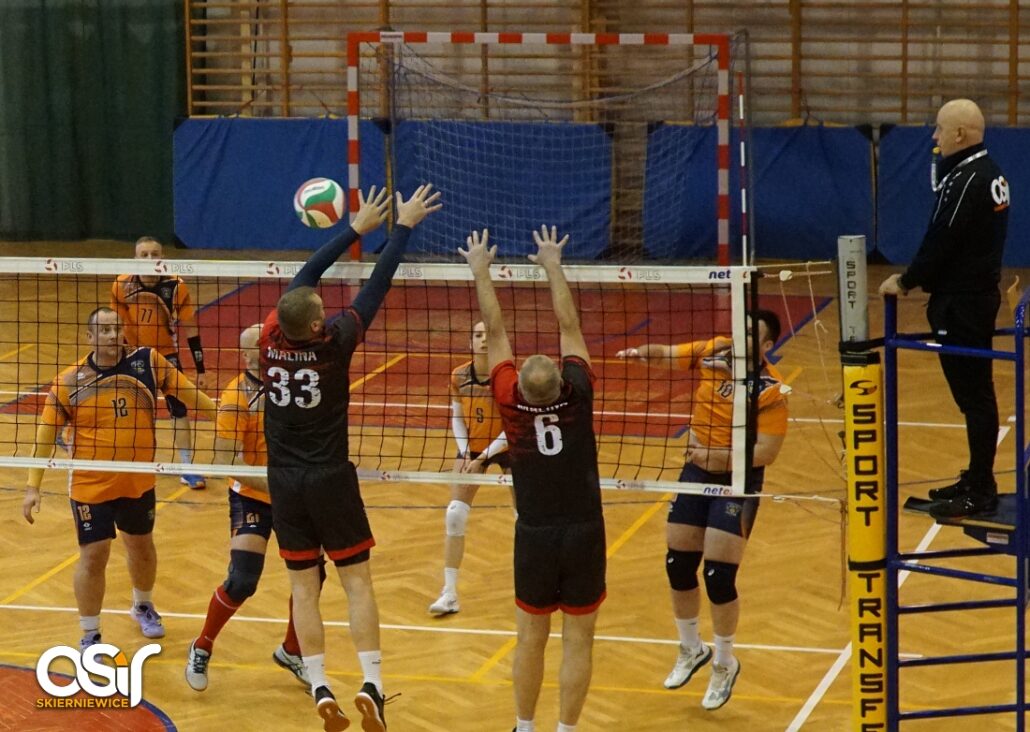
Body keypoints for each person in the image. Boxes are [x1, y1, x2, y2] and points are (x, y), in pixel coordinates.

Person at [261, 184, 441, 732]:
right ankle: (372, 685)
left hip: (283, 481)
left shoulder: (270, 338)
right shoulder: (334, 344)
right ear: (317, 325)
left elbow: (306, 276)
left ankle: (319, 686)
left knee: (303, 587)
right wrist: (401, 226)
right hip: (330, 479)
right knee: (357, 583)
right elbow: (377, 286)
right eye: (322, 309)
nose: (326, 305)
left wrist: (354, 230)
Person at [460, 226, 605, 732]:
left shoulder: (508, 399)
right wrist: (552, 264)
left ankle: (524, 726)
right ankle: (566, 729)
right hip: (584, 530)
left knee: (530, 638)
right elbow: (569, 324)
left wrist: (480, 269)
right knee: (579, 640)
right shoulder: (579, 393)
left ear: (519, 386)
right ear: (562, 381)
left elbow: (496, 332)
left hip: (536, 534)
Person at [616, 309, 788, 711]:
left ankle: (725, 663)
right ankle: (691, 648)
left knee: (718, 576)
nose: (739, 337)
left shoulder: (771, 390)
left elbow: (766, 452)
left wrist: (717, 456)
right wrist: (641, 353)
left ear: (766, 346)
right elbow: (668, 354)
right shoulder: (714, 351)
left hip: (738, 479)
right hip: (696, 470)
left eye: (751, 334)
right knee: (678, 565)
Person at [21, 307, 216, 649]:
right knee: (94, 554)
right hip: (90, 485)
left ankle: (143, 606)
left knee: (141, 546)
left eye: (117, 329)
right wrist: (32, 487)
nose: (113, 335)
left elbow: (191, 396)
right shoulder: (70, 381)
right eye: (105, 330)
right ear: (90, 337)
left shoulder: (148, 362)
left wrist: (230, 423)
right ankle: (90, 634)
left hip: (138, 481)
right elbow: (45, 436)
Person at [879, 98, 1010, 519]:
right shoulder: (987, 173)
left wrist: (906, 281)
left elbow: (942, 237)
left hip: (963, 303)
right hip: (972, 298)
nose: (934, 137)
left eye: (939, 129)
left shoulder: (968, 178)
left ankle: (981, 489)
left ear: (960, 134)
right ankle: (976, 477)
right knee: (975, 396)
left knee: (975, 398)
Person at [185, 324, 317, 692]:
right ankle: (202, 645)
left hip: (294, 496)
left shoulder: (295, 387)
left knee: (312, 577)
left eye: (272, 342)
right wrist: (278, 486)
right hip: (252, 495)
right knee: (243, 579)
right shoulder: (235, 397)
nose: (270, 348)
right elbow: (226, 462)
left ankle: (292, 651)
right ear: (246, 356)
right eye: (261, 345)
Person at [111, 236, 209, 489]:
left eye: (154, 254)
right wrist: (116, 359)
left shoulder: (176, 286)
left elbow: (191, 330)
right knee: (132, 412)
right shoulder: (121, 285)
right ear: (135, 258)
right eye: (144, 254)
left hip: (167, 356)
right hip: (134, 355)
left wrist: (200, 370)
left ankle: (187, 467)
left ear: (162, 257)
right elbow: (116, 326)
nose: (150, 259)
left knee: (179, 409)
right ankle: (131, 463)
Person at [428, 320, 511, 617]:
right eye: (477, 335)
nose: (483, 340)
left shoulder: (508, 377)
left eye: (488, 335)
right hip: (472, 446)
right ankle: (449, 593)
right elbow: (457, 417)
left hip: (510, 446)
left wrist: (483, 457)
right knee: (454, 514)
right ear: (470, 342)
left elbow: (512, 426)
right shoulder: (459, 375)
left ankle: (539, 585)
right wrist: (466, 453)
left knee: (526, 518)